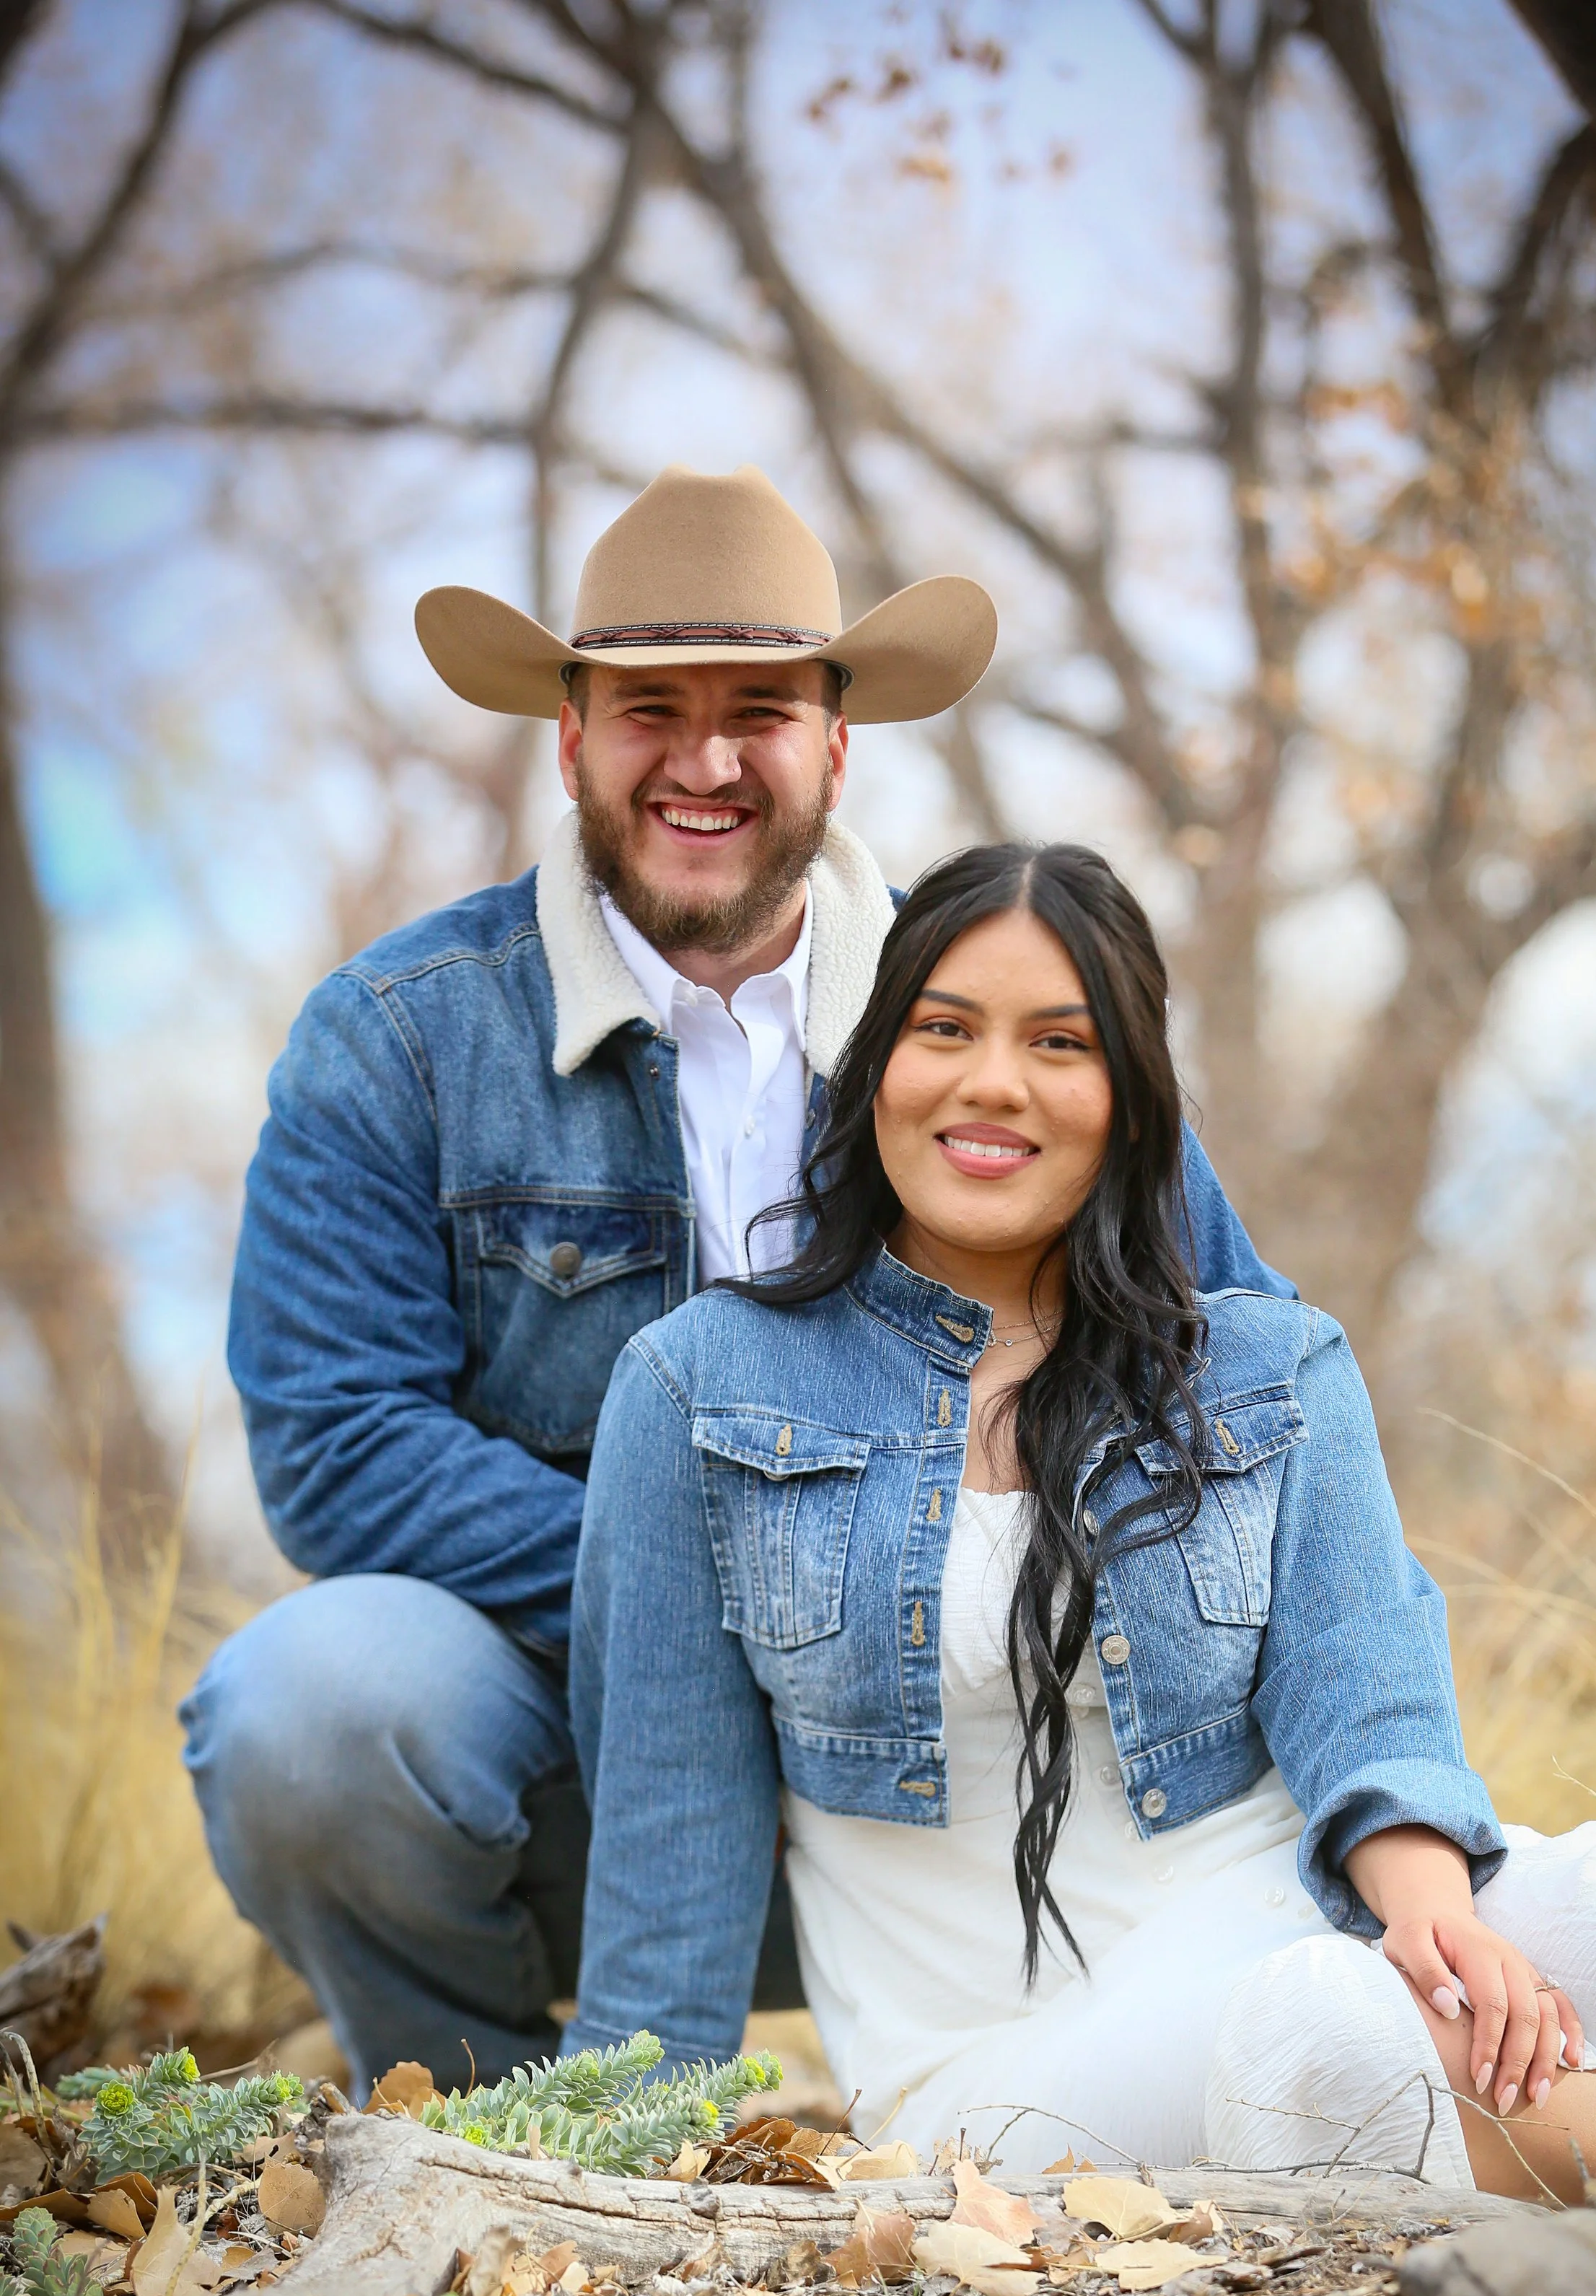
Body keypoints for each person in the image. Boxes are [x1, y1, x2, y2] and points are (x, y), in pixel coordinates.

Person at [183, 469, 1287, 2097]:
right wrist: (721, 1602)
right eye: (648, 710)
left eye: (758, 710)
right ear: (568, 735)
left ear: (837, 745)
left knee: (1186, 2013)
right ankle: (489, 2143)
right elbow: (338, 1444)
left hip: (963, 1735)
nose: (703, 763)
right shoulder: (399, 1037)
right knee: (308, 1708)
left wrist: (937, 1606)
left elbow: (1232, 1369)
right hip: (575, 1726)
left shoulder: (1010, 1014)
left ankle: (1094, 2085)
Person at [566, 841, 1596, 2201]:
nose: (994, 1081)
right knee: (1328, 2033)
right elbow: (667, 1852)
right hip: (1000, 2067)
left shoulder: (1268, 1366)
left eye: (1061, 1041)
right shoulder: (702, 1389)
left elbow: (1366, 1696)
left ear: (1131, 1104)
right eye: (944, 1029)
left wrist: (1436, 1916)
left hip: (1288, 1886)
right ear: (873, 1073)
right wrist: (615, 2151)